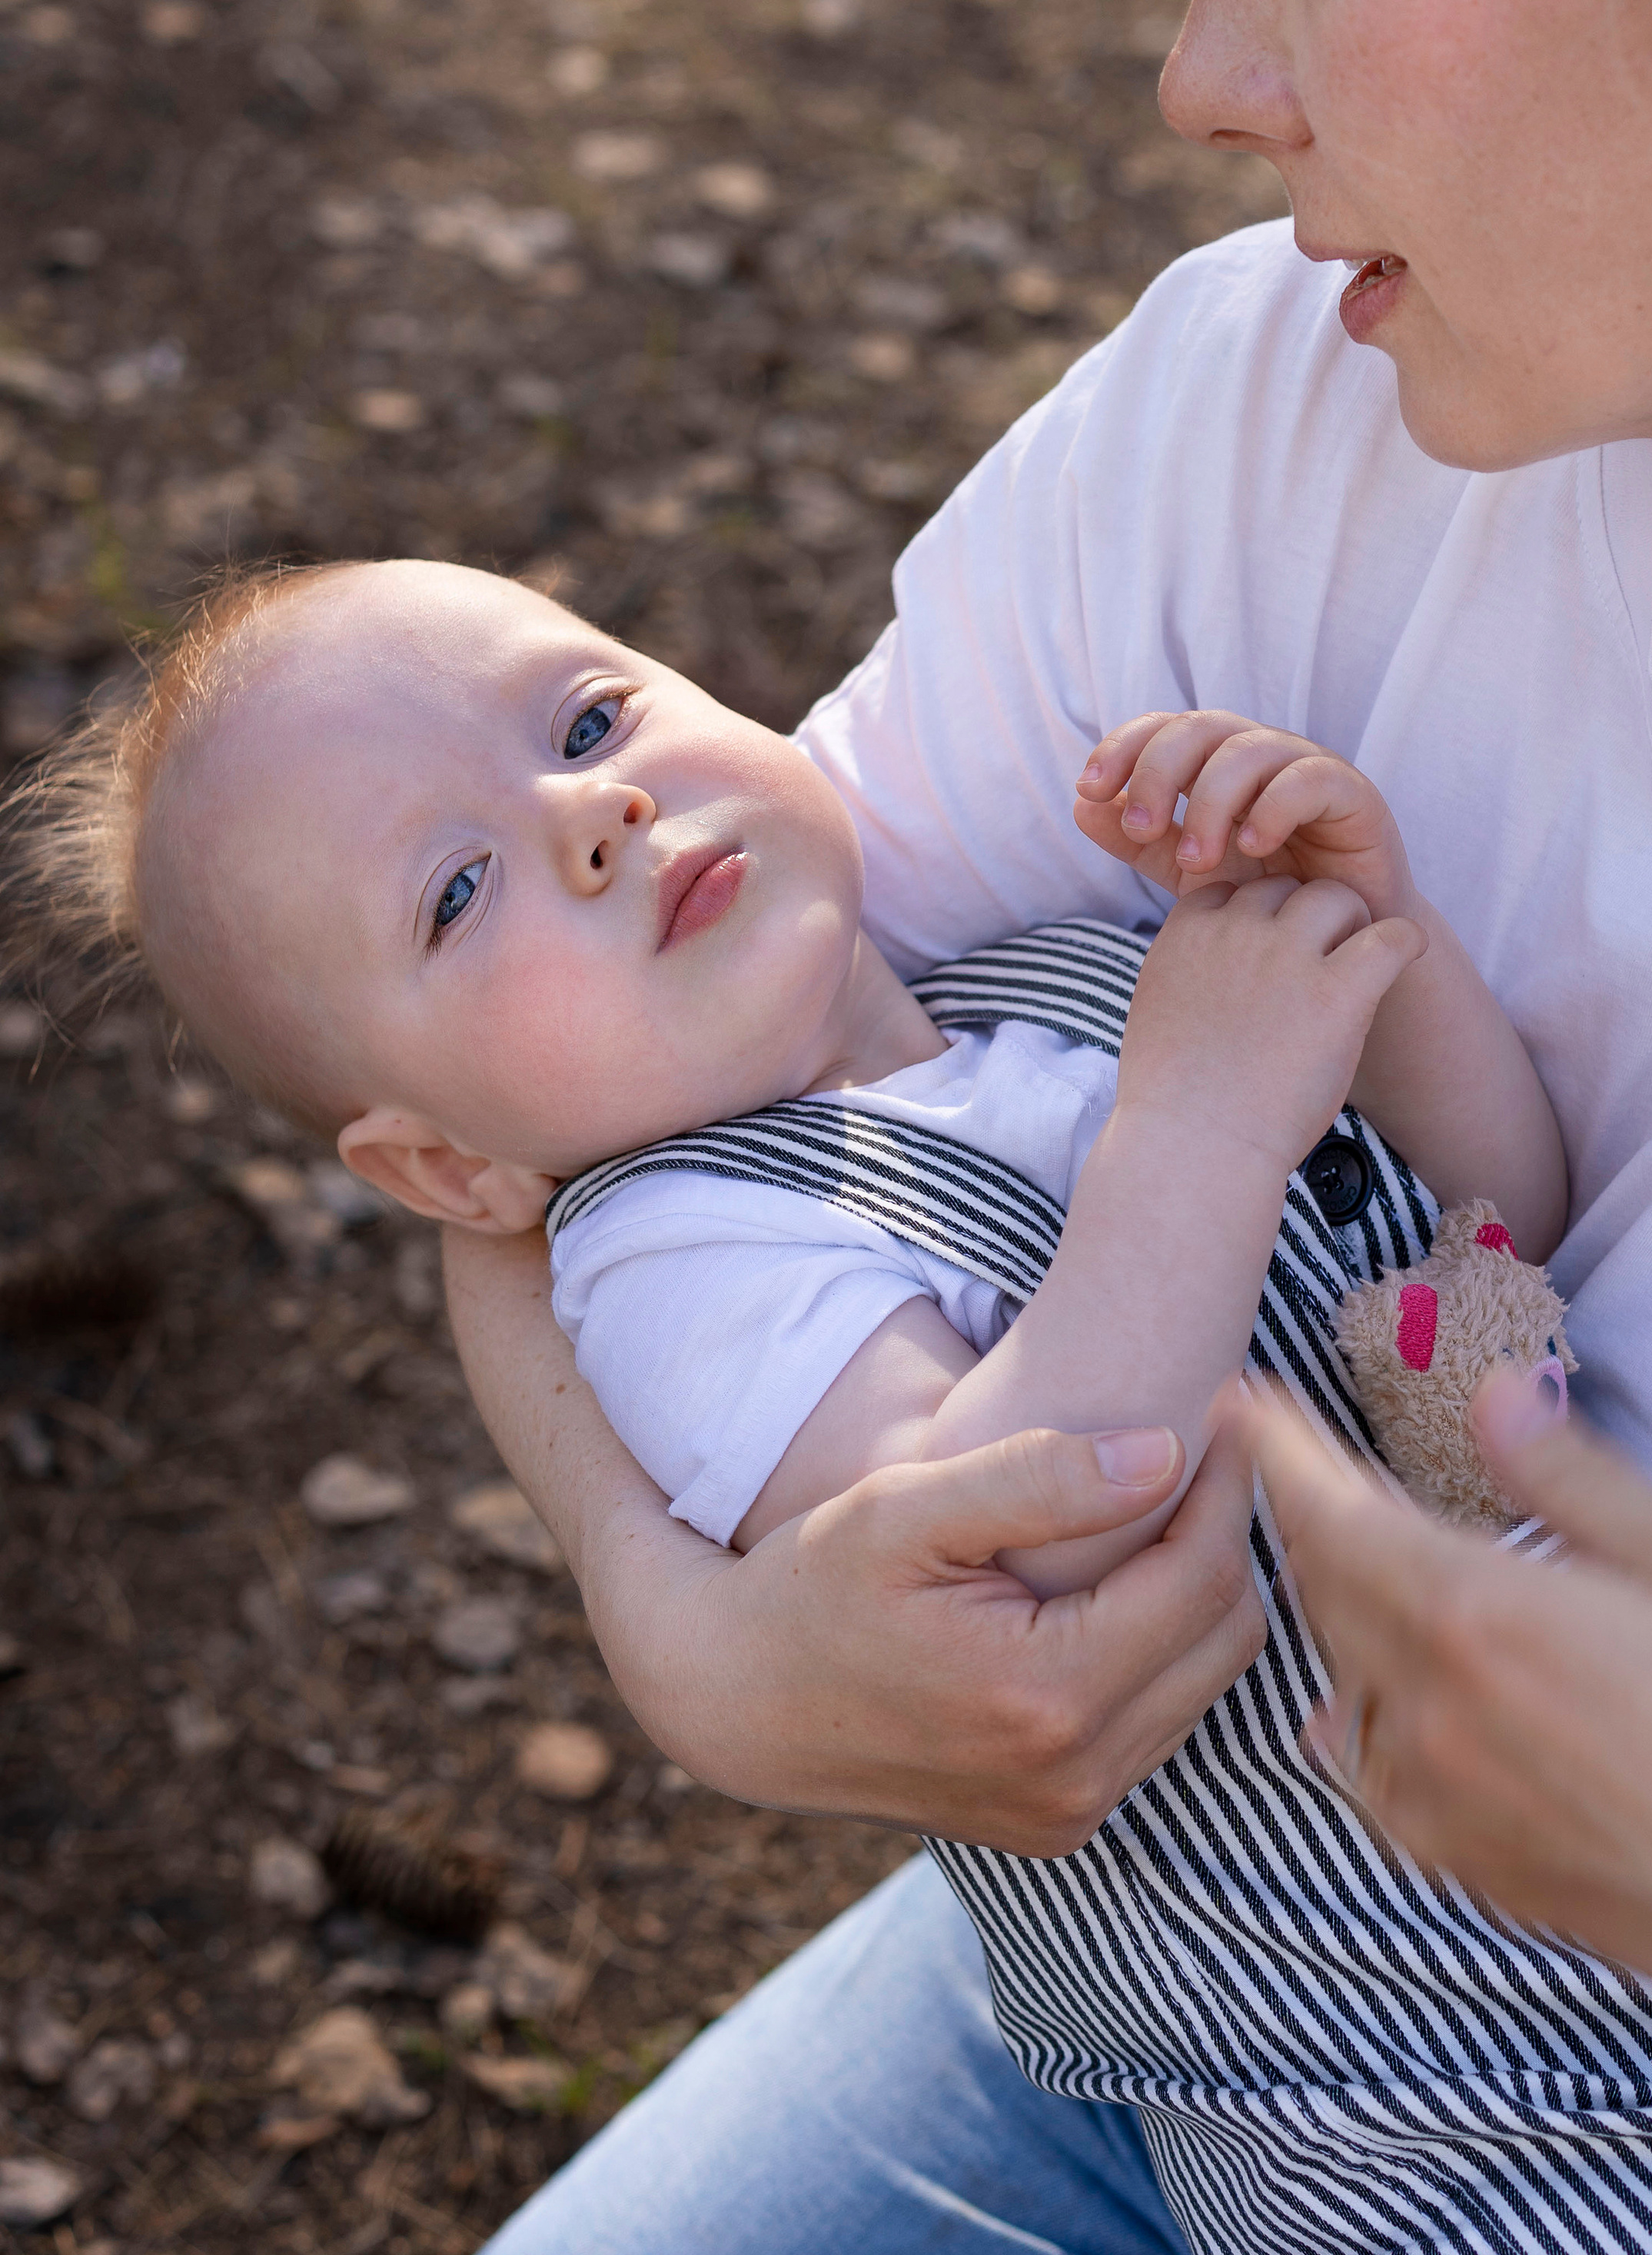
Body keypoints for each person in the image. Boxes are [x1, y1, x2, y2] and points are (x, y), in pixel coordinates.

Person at [427, 0, 1652, 2255]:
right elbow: (531, 1060)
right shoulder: (1286, 419)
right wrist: (702, 1625)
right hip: (1207, 1987)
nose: (1197, 70)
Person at [11, 553, 1557, 1601]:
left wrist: (1367, 931)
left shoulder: (1063, 996)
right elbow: (1000, 1552)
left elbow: (1508, 1212)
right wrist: (1202, 1125)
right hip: (1374, 2017)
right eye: (457, 893)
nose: (594, 810)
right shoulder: (678, 1257)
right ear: (446, 1171)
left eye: (585, 718)